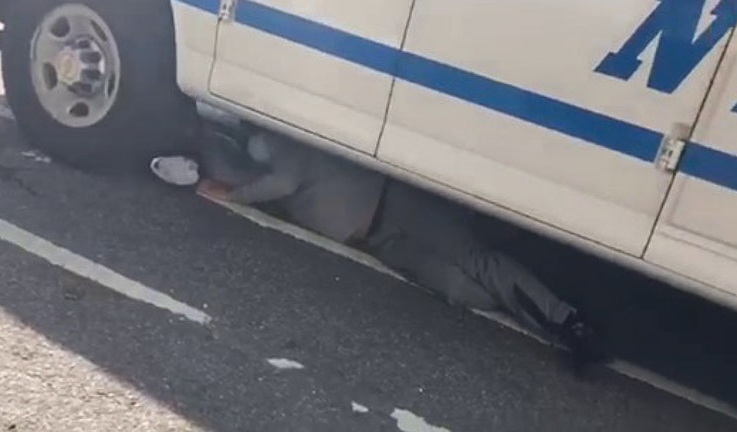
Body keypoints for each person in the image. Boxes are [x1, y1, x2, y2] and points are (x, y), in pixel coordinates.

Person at [152, 125, 609, 371]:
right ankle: (523, 297)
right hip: (375, 239)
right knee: (458, 289)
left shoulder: (282, 138)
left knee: (474, 259)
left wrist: (228, 195)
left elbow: (281, 180)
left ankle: (567, 323)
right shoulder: (257, 159)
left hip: (394, 204)